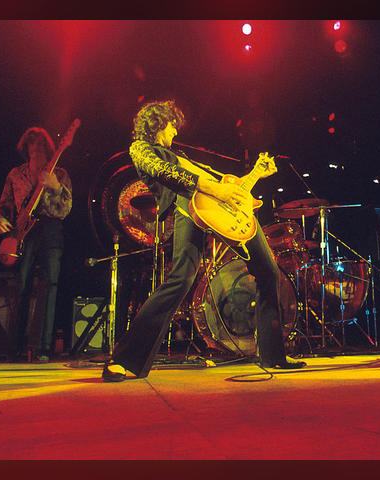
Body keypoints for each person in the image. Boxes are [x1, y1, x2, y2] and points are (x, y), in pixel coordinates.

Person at [103, 100, 305, 382]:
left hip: (227, 207)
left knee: (268, 271)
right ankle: (124, 359)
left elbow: (227, 187)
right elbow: (165, 173)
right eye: (172, 125)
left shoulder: (183, 154)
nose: (175, 131)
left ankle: (274, 356)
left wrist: (256, 173)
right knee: (182, 278)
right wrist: (214, 189)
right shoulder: (142, 148)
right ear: (158, 122)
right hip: (190, 205)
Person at [0, 127, 73, 363]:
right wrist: (0, 221)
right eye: (31, 146)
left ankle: (44, 347)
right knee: (22, 286)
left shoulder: (59, 173)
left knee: (50, 286)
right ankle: (15, 347)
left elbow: (66, 209)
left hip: (51, 229)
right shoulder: (15, 175)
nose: (35, 151)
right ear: (25, 149)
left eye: (40, 146)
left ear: (48, 148)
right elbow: (3, 206)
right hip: (23, 233)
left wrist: (56, 187)